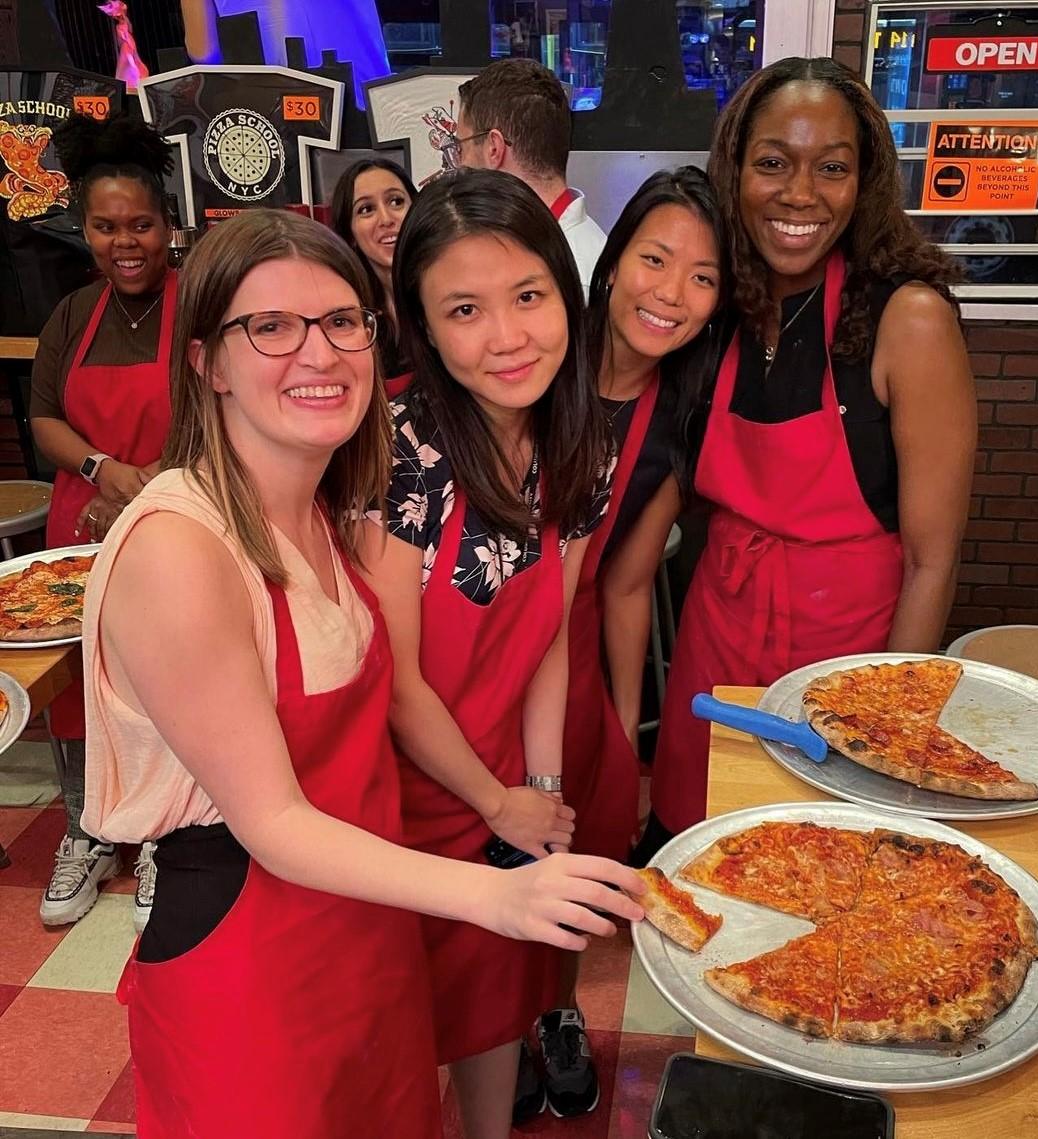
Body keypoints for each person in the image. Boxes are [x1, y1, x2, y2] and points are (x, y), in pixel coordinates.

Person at [81, 207, 643, 1139]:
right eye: (270, 327)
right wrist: (497, 891)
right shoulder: (178, 548)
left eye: (342, 321)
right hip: (248, 961)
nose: (318, 352)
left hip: (364, 928)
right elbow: (272, 823)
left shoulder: (322, 504)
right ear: (205, 364)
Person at [645, 57, 977, 849]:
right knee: (693, 855)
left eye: (831, 168)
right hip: (716, 649)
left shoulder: (910, 321)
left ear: (862, 182)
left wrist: (890, 735)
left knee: (815, 879)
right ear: (734, 173)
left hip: (846, 662)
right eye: (772, 163)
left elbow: (933, 561)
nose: (800, 194)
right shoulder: (716, 304)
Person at [365, 167, 613, 1139]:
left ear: (564, 292)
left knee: (487, 1014)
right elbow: (396, 683)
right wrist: (496, 799)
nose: (507, 337)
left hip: (503, 787)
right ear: (423, 328)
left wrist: (537, 789)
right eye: (465, 309)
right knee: (393, 1037)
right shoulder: (401, 453)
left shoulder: (576, 444)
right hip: (398, 807)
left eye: (528, 296)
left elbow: (548, 632)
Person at [528, 166, 727, 1120]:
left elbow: (628, 578)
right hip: (469, 635)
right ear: (610, 268)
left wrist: (617, 720)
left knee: (564, 842)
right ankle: (468, 1027)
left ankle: (555, 1012)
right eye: (655, 259)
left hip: (567, 653)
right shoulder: (532, 353)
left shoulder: (677, 419)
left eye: (702, 277)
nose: (671, 293)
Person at [29, 110, 176, 931]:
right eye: (107, 226)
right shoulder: (72, 313)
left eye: (142, 225)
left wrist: (162, 478)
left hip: (175, 523)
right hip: (81, 525)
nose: (126, 242)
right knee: (83, 687)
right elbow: (45, 416)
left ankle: (161, 831)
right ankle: (89, 828)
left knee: (166, 679)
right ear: (84, 230)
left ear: (168, 226)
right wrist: (102, 468)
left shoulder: (197, 305)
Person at [453, 58, 606, 294]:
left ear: (494, 148)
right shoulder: (544, 244)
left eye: (461, 148)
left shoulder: (572, 281)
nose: (460, 164)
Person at [329, 156, 417, 374]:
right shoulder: (347, 313)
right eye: (366, 209)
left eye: (396, 201)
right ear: (350, 234)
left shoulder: (447, 293)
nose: (386, 219)